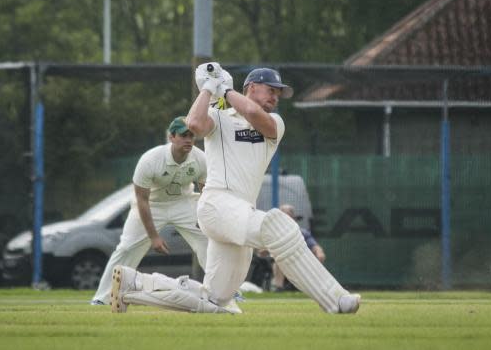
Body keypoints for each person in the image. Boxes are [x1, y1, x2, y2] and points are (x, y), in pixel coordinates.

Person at [109, 63, 360, 314]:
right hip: (217, 204)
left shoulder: (274, 122)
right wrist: (208, 88)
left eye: (278, 93)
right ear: (251, 87)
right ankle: (336, 300)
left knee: (216, 302)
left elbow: (250, 111)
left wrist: (225, 89)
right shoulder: (219, 118)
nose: (275, 97)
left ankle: (134, 285)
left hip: (238, 211)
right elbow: (194, 124)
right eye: (270, 90)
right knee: (278, 226)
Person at [90, 116, 209, 305]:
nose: (188, 140)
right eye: (183, 135)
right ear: (171, 137)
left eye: (191, 136)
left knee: (208, 240)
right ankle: (103, 298)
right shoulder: (150, 160)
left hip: (184, 202)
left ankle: (223, 293)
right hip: (152, 204)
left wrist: (206, 219)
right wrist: (154, 237)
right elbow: (142, 200)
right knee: (127, 247)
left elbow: (206, 192)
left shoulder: (200, 158)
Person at [270, 204, 326, 292]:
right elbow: (261, 252)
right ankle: (278, 288)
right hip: (282, 264)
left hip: (300, 264)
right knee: (279, 260)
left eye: (289, 216)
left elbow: (316, 247)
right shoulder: (273, 234)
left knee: (319, 256)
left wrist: (319, 252)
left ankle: (316, 288)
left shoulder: (302, 232)